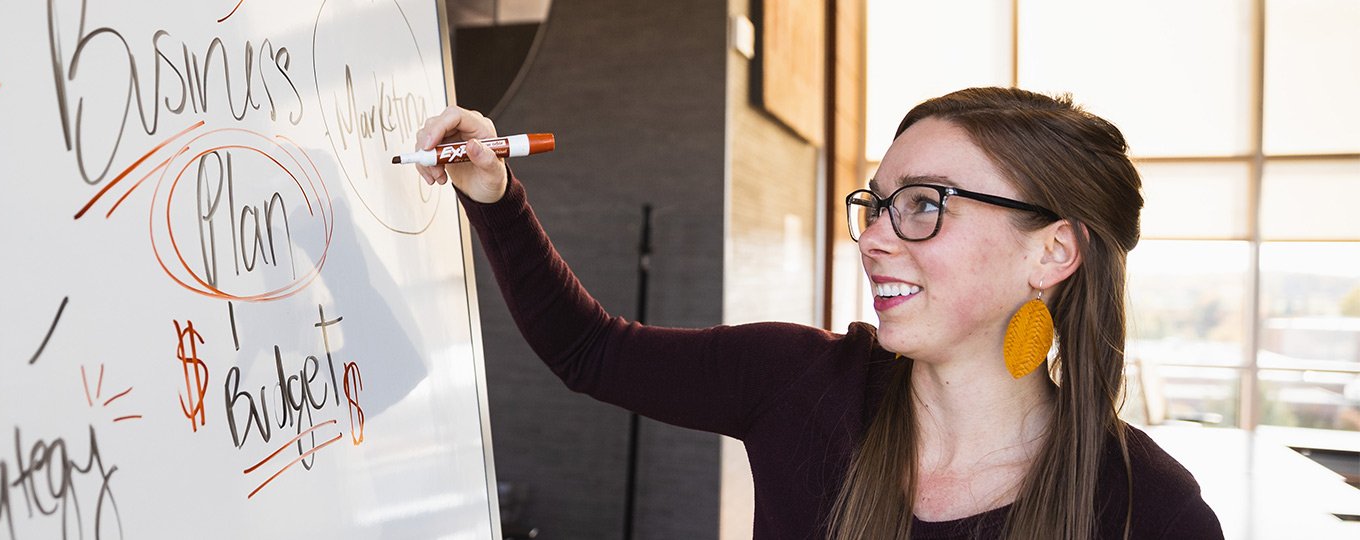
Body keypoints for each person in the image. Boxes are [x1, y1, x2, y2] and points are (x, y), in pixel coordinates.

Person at [413, 87, 1222, 539]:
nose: (873, 238)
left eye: (923, 205)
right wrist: (495, 194)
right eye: (876, 205)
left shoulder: (1149, 510)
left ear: (1053, 252)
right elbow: (586, 349)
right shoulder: (799, 382)